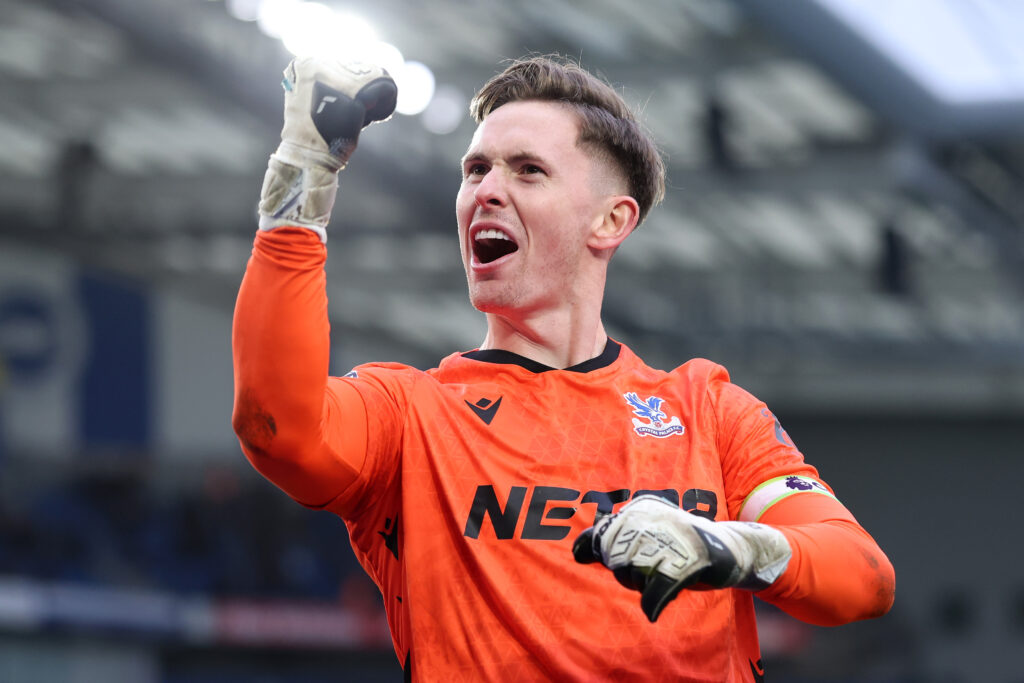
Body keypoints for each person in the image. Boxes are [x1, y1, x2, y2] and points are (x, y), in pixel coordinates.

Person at [232, 55, 895, 682]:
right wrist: (303, 169)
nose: (487, 191)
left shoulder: (711, 412)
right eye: (475, 170)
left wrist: (729, 548)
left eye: (527, 171)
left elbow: (862, 576)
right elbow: (277, 428)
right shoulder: (408, 416)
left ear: (610, 220)